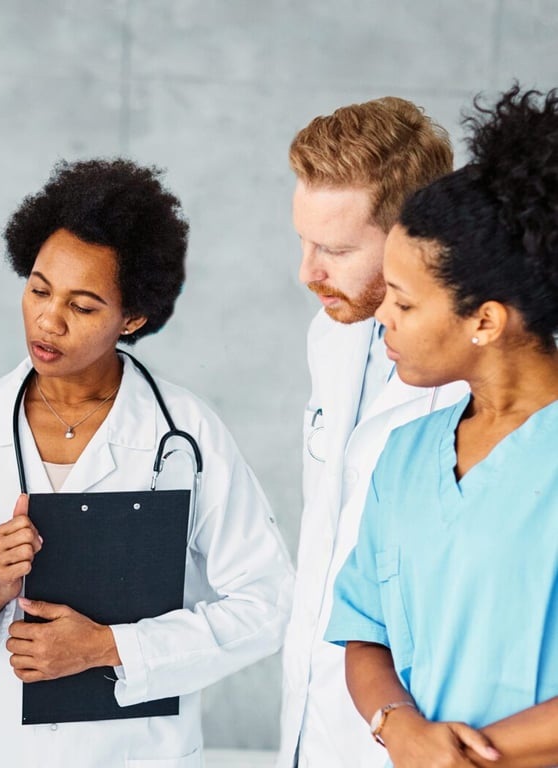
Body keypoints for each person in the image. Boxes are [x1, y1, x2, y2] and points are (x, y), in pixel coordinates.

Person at [0, 158, 294, 766]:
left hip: (139, 752)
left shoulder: (186, 434)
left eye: (83, 306)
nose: (49, 319)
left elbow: (268, 603)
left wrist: (111, 647)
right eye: (39, 289)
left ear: (133, 317)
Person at [326, 84, 558, 768]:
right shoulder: (406, 455)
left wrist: (463, 756)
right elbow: (364, 629)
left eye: (403, 302)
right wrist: (398, 726)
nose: (382, 318)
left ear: (484, 320)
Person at [278, 96, 467, 768]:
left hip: (425, 732)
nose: (308, 273)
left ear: (415, 235)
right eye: (304, 241)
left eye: (334, 249)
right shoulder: (331, 333)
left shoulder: (476, 376)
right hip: (313, 714)